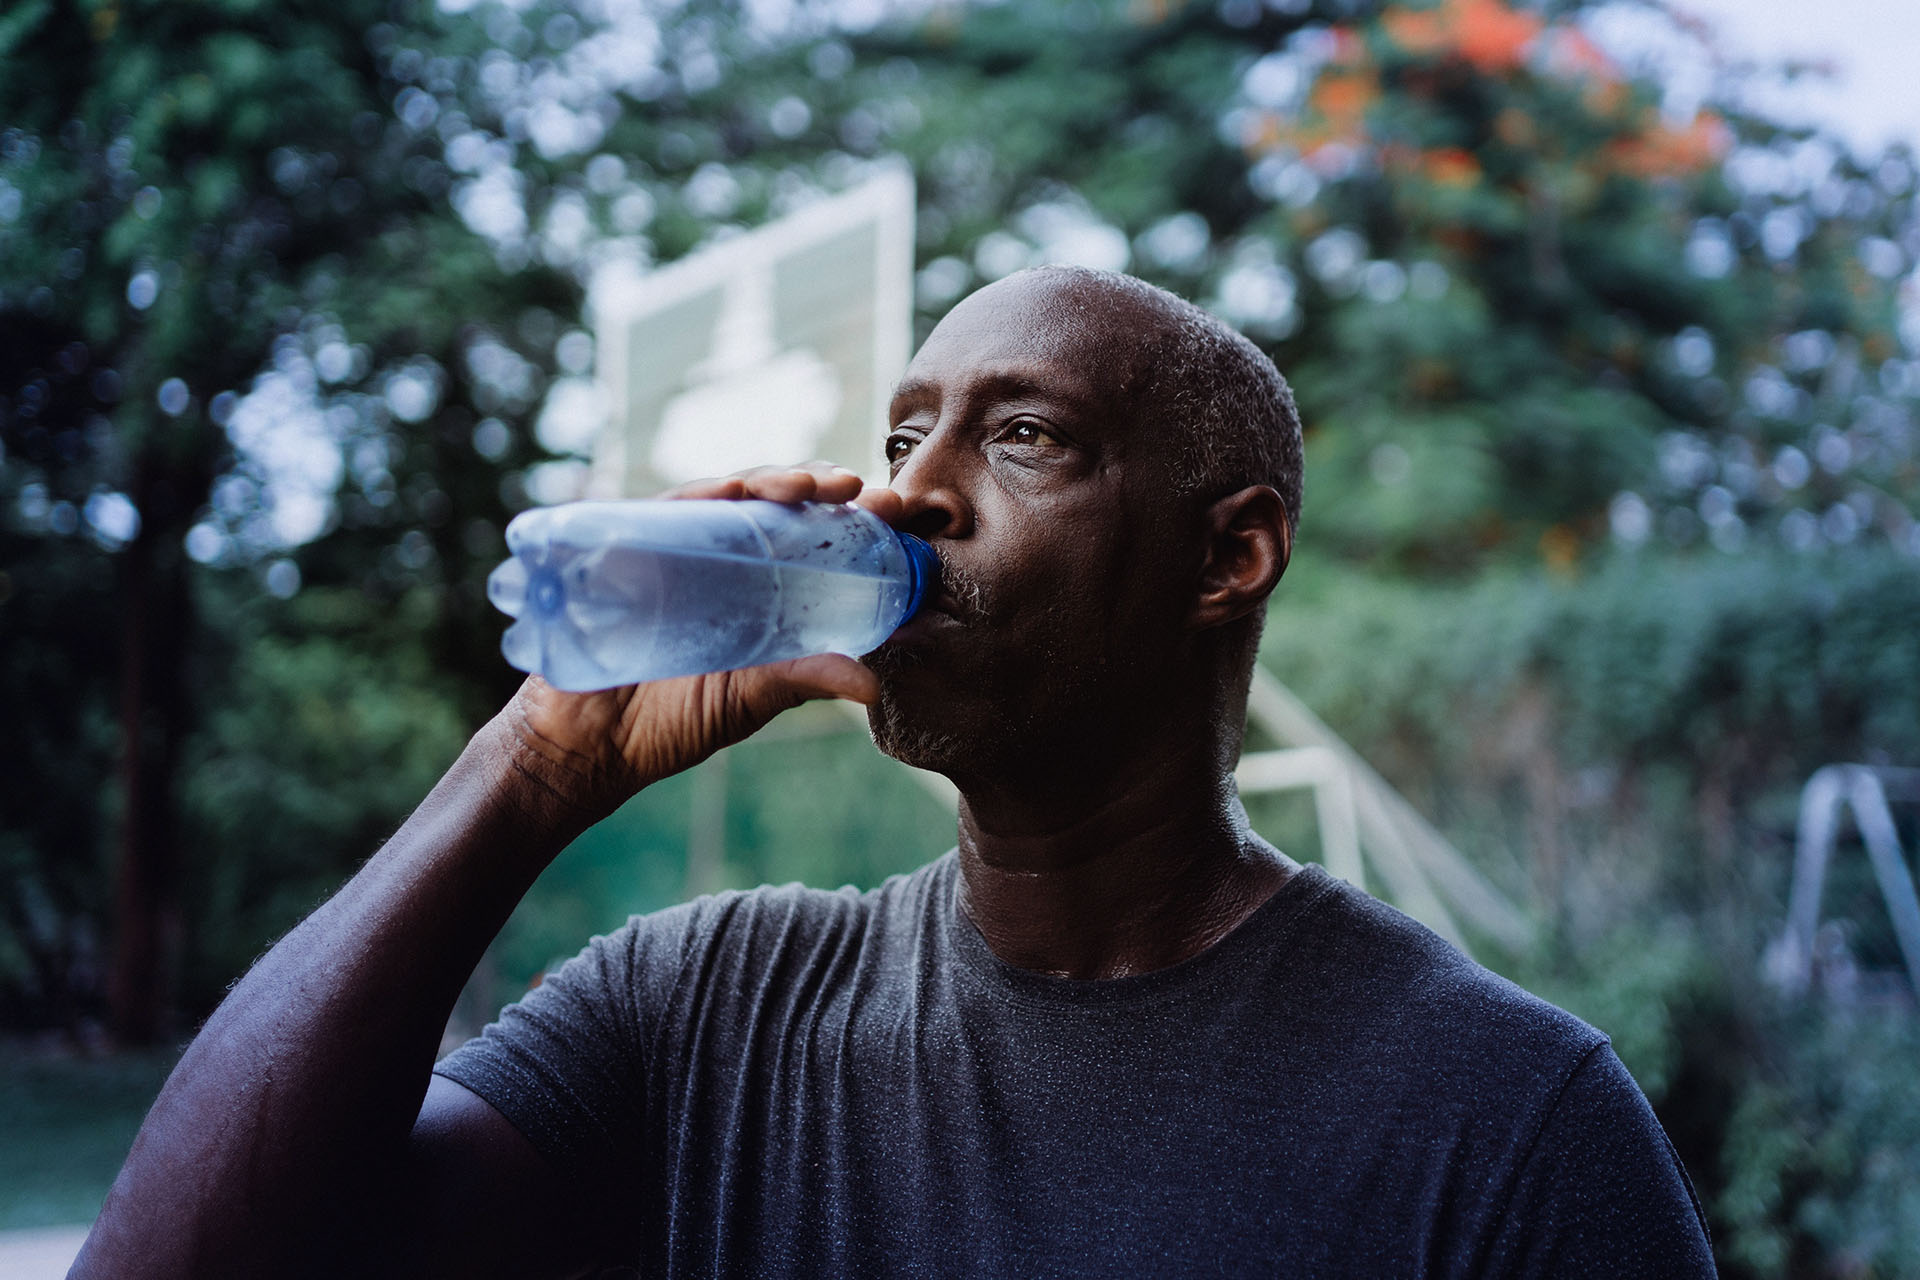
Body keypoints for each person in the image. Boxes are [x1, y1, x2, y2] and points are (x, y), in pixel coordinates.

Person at [74, 266, 1715, 1279]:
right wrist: (533, 764)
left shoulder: (1507, 1123)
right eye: (907, 427)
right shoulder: (703, 1009)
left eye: (1020, 437)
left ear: (1233, 556)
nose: (905, 492)